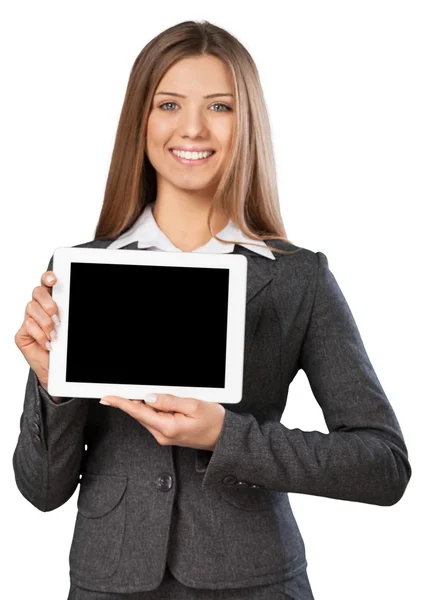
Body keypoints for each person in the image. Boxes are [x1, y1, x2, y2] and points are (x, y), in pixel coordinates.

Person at [13, 20, 411, 600]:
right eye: (169, 103)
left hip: (253, 583)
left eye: (219, 106)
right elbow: (42, 490)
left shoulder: (298, 277)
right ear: (140, 121)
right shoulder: (81, 270)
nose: (192, 127)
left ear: (245, 121)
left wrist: (228, 437)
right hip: (108, 583)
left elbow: (382, 465)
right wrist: (54, 388)